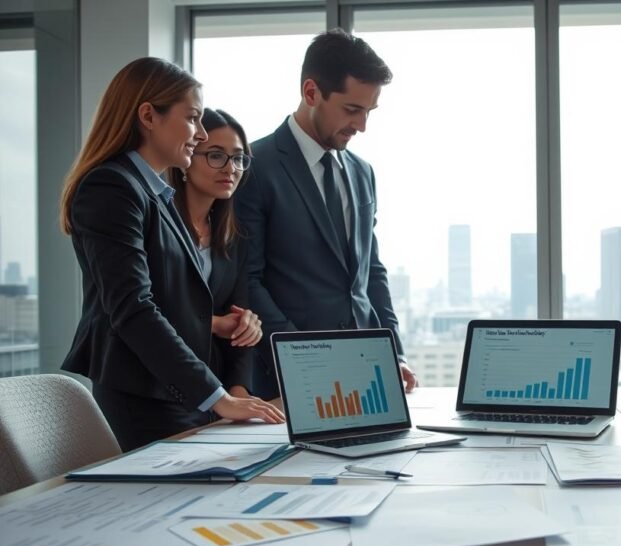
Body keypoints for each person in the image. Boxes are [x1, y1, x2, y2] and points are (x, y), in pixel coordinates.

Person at [60, 57, 285, 452]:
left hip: (178, 393)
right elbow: (133, 308)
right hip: (143, 395)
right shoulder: (112, 188)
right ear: (148, 115)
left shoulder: (154, 195)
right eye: (193, 118)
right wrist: (217, 396)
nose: (199, 134)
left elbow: (173, 301)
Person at [235, 29, 416, 399]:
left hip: (365, 375)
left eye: (369, 111)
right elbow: (247, 280)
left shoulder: (363, 172)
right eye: (352, 109)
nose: (362, 125)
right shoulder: (254, 166)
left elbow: (371, 273)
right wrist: (303, 357)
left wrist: (392, 351)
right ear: (311, 92)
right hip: (287, 380)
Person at [167, 108, 262, 400]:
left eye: (238, 158)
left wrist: (239, 389)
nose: (230, 168)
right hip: (158, 382)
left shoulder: (234, 237)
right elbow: (148, 311)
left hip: (215, 387)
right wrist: (215, 323)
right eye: (216, 155)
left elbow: (239, 314)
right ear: (186, 158)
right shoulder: (159, 224)